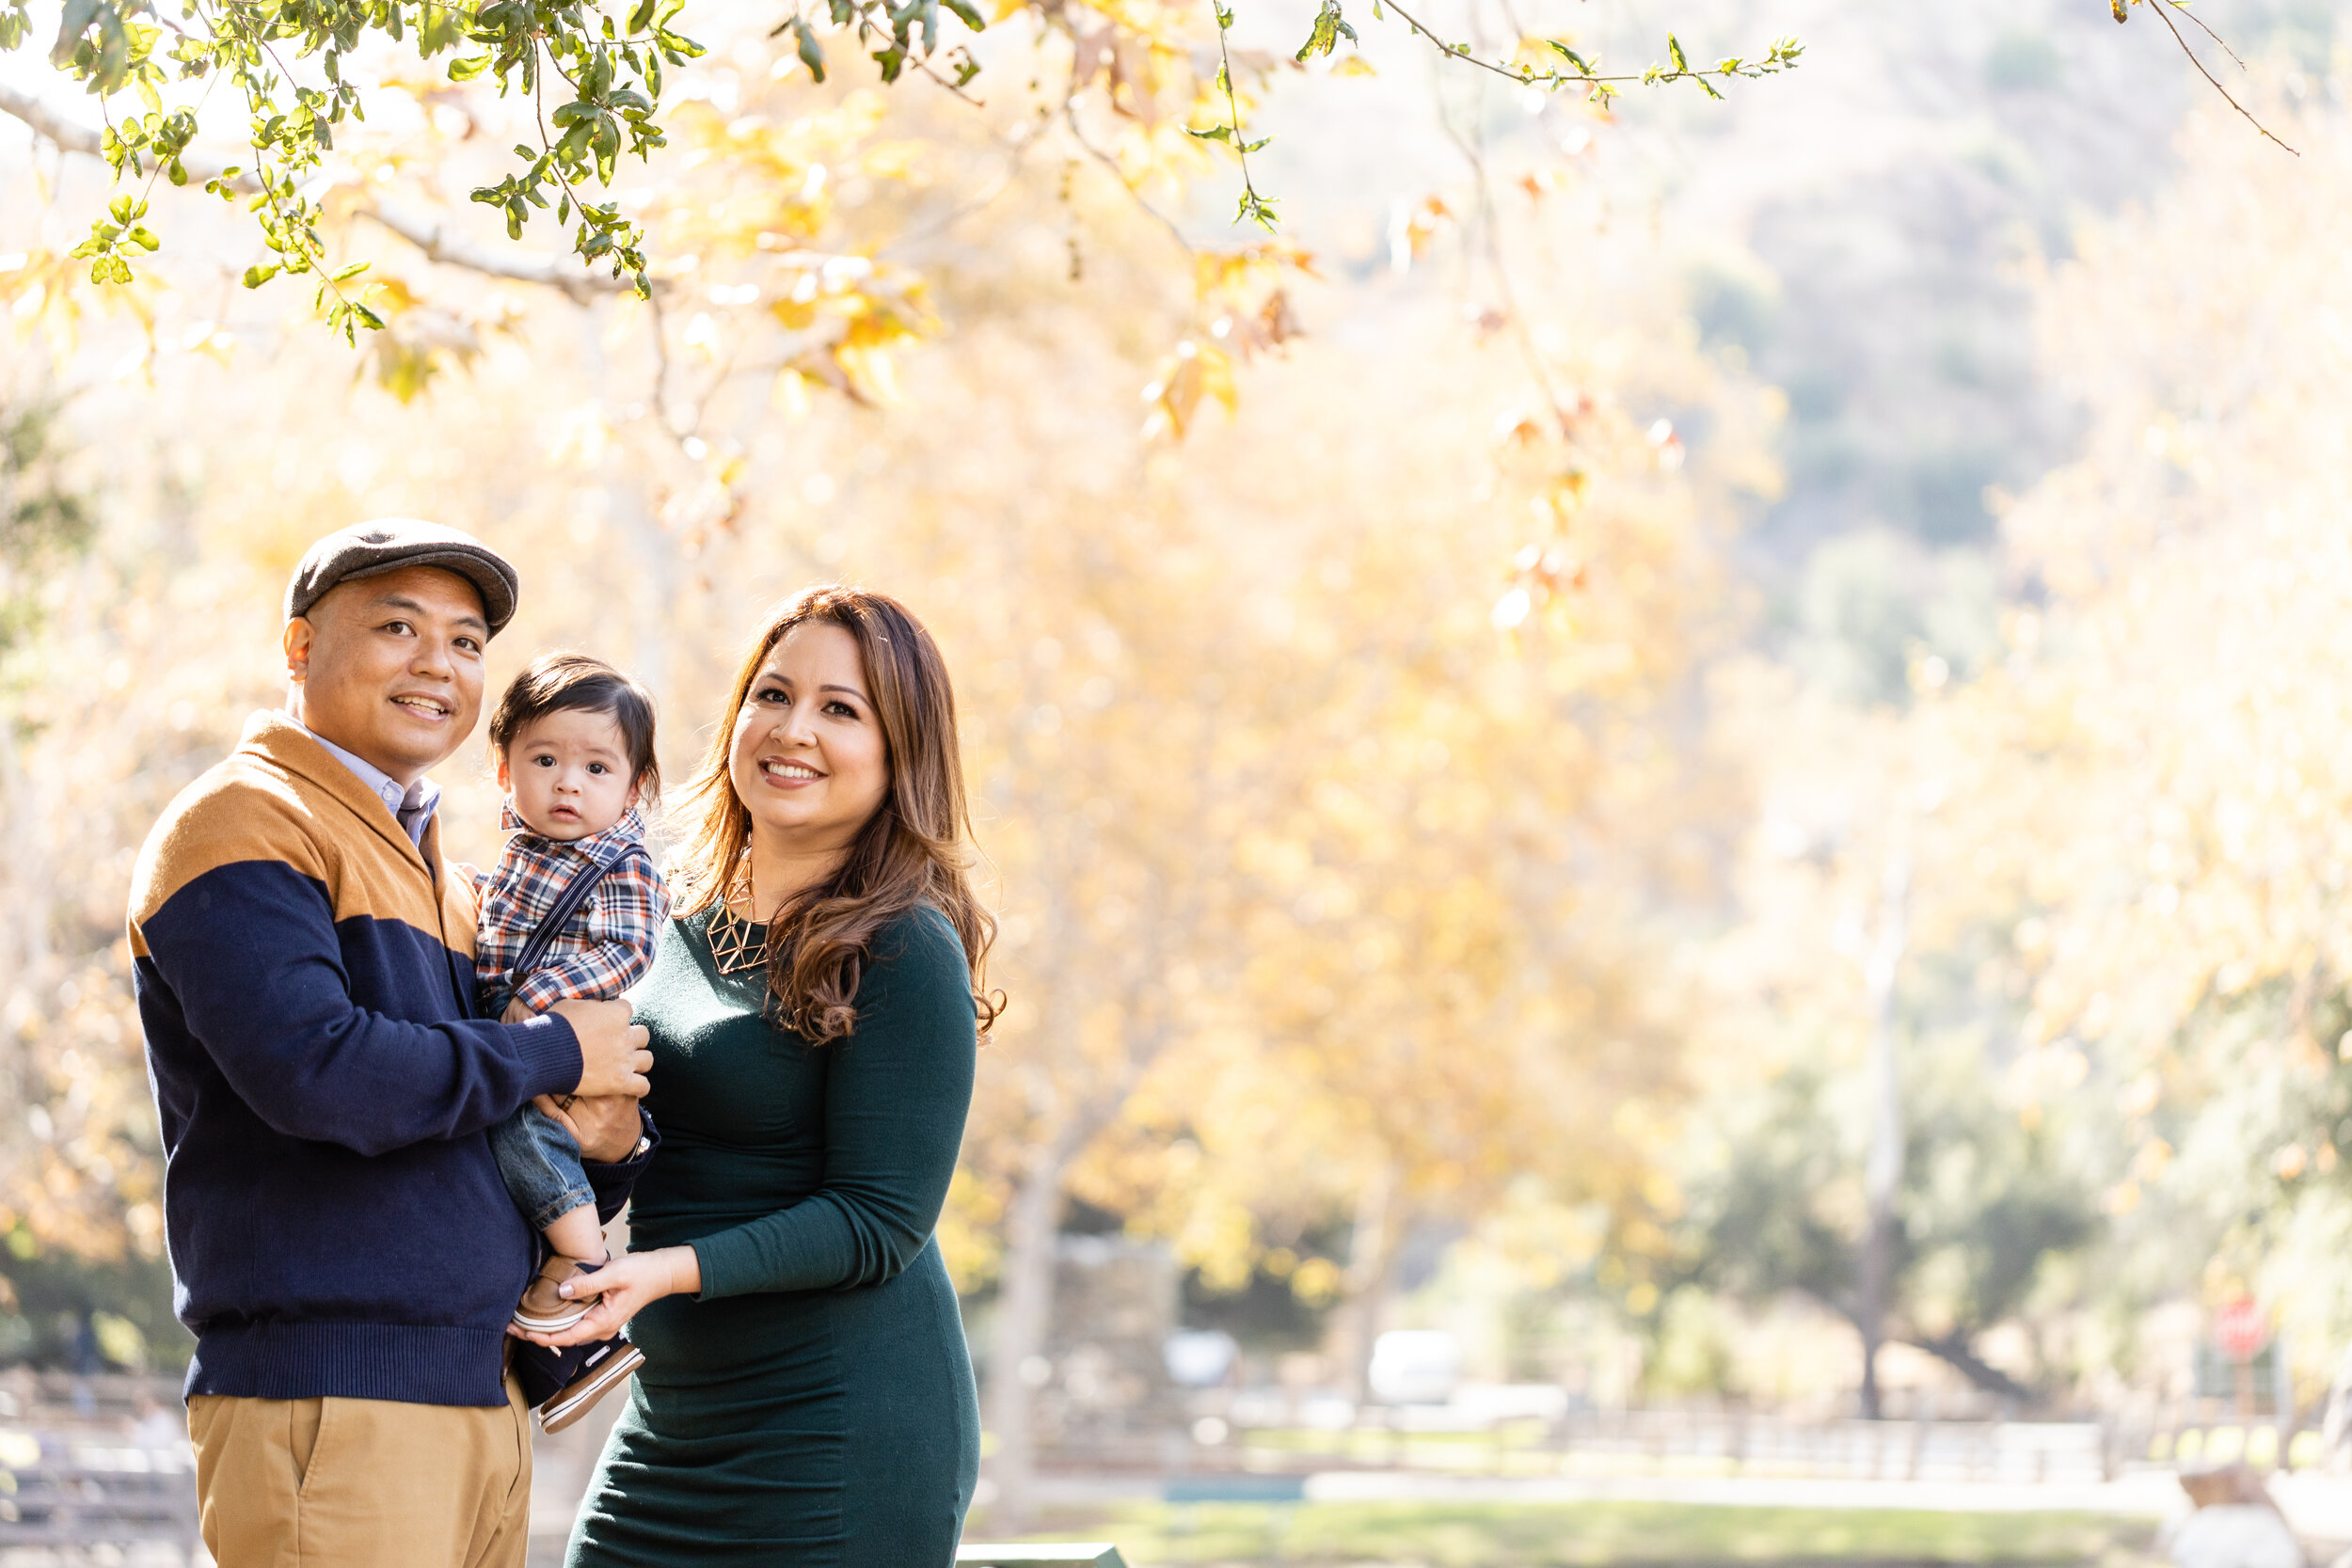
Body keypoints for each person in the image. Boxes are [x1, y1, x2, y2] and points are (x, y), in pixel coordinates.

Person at [127, 519, 658, 1568]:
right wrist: (556, 1053)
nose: (438, 664)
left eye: (466, 642)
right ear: (300, 647)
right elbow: (320, 1074)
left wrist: (609, 1136)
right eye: (399, 627)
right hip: (337, 1403)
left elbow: (487, 1122)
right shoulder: (242, 819)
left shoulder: (456, 884)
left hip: (480, 1401)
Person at [520, 586, 995, 1567]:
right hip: (677, 1418)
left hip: (835, 1434)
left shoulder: (904, 943)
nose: (793, 728)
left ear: (899, 751)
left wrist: (659, 1272)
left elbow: (878, 1220)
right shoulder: (664, 921)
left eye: (840, 708)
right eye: (772, 694)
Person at [471, 653, 672, 1433]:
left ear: (633, 787)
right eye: (545, 760)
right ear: (504, 769)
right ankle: (573, 1353)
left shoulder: (620, 860)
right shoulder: (522, 852)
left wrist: (541, 1003)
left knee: (521, 1127)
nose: (568, 784)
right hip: (521, 1035)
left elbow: (628, 949)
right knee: (511, 1142)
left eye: (596, 767)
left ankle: (583, 1254)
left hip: (564, 1037)